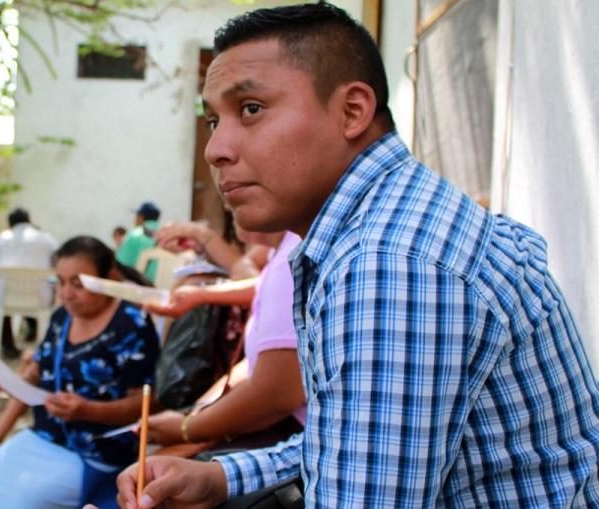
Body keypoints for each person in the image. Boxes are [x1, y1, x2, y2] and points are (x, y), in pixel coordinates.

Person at [111, 4, 599, 508]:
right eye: (213, 120)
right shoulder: (384, 226)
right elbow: (355, 439)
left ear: (352, 111)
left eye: (251, 109)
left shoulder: (390, 266)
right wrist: (223, 476)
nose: (216, 148)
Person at [0, 236, 161, 509]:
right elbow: (37, 372)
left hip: (96, 454)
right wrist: (5, 382)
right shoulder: (62, 318)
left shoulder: (132, 324)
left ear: (110, 278)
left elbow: (145, 403)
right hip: (44, 436)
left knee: (22, 500)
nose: (66, 294)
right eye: (60, 282)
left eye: (78, 284)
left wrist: (88, 411)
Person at [144, 230, 304, 454]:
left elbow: (275, 396)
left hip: (294, 432)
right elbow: (264, 285)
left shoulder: (291, 257)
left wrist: (187, 429)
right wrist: (201, 295)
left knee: (160, 468)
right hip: (280, 422)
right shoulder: (283, 250)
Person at [0, 208, 59, 357]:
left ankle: (7, 345)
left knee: (2, 298)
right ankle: (40, 343)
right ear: (29, 221)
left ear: (10, 224)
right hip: (40, 298)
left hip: (7, 298)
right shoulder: (46, 238)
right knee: (43, 293)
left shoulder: (1, 238)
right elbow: (58, 263)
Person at [115, 201, 161, 280]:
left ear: (140, 217)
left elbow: (120, 265)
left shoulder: (134, 234)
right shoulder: (167, 236)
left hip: (140, 285)